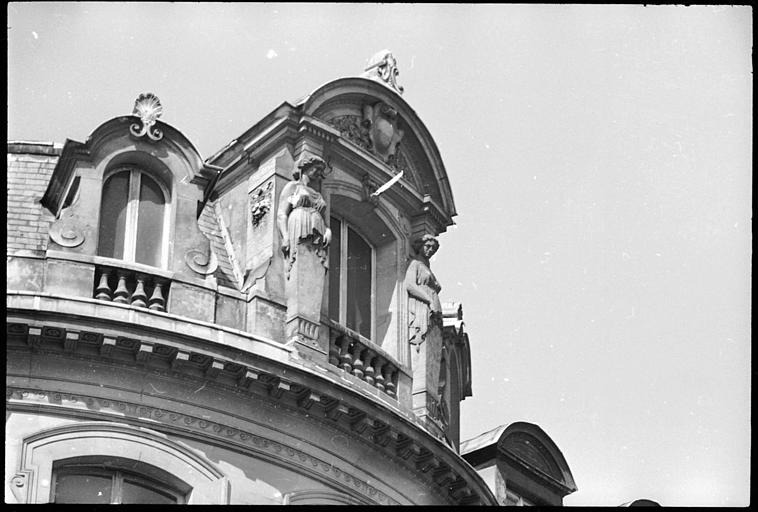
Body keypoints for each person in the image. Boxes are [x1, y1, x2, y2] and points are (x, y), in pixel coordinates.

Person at [277, 156, 332, 276]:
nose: (319, 173)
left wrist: (328, 231)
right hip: (300, 222)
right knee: (299, 256)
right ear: (306, 167)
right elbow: (282, 214)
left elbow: (325, 219)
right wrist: (285, 236)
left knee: (315, 262)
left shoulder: (318, 194)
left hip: (317, 226)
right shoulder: (293, 186)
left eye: (321, 170)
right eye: (317, 168)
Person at [405, 235, 442, 350]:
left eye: (433, 249)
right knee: (422, 335)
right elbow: (410, 285)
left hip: (433, 307)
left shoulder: (427, 267)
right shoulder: (415, 264)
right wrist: (428, 299)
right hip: (422, 304)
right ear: (420, 246)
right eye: (428, 246)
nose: (430, 250)